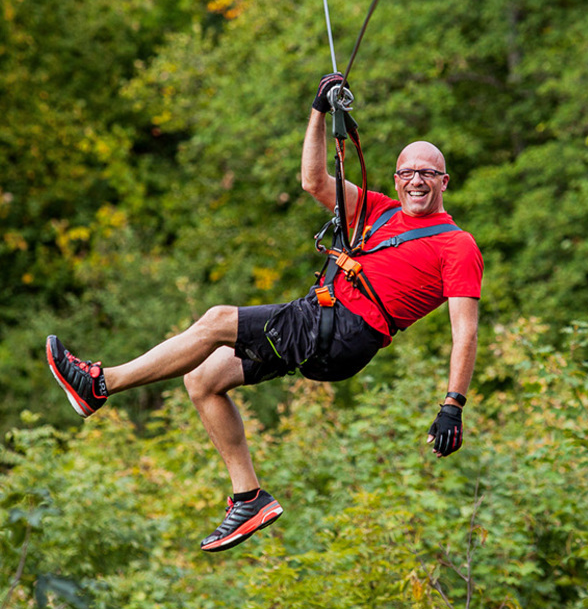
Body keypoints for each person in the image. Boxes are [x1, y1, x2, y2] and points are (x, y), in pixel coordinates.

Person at [45, 75, 484, 553]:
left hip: (343, 333)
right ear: (397, 178)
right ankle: (248, 497)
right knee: (204, 381)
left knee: (215, 321)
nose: (416, 180)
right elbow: (313, 181)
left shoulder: (456, 245)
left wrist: (452, 405)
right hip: (320, 319)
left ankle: (99, 385)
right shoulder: (376, 211)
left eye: (427, 173)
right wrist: (318, 111)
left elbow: (464, 334)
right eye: (407, 172)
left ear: (444, 182)